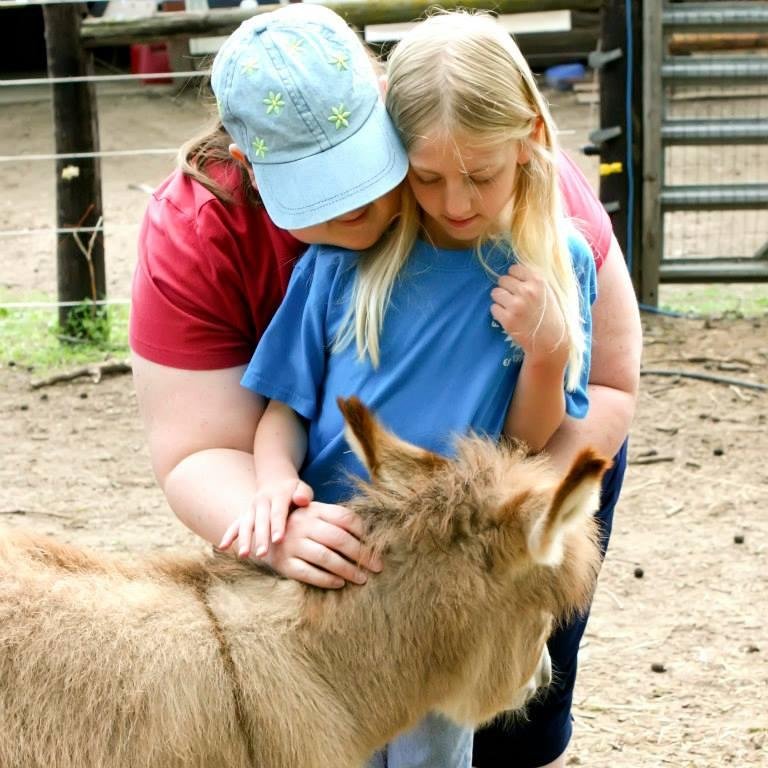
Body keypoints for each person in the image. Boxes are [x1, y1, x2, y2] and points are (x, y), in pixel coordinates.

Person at [129, 4, 641, 767]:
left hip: (481, 522)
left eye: (367, 177)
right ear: (249, 163)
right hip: (343, 535)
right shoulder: (316, 267)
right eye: (429, 180)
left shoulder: (513, 194)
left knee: (488, 721)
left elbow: (589, 398)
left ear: (384, 105)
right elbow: (239, 429)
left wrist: (515, 525)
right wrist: (275, 518)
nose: (453, 199)